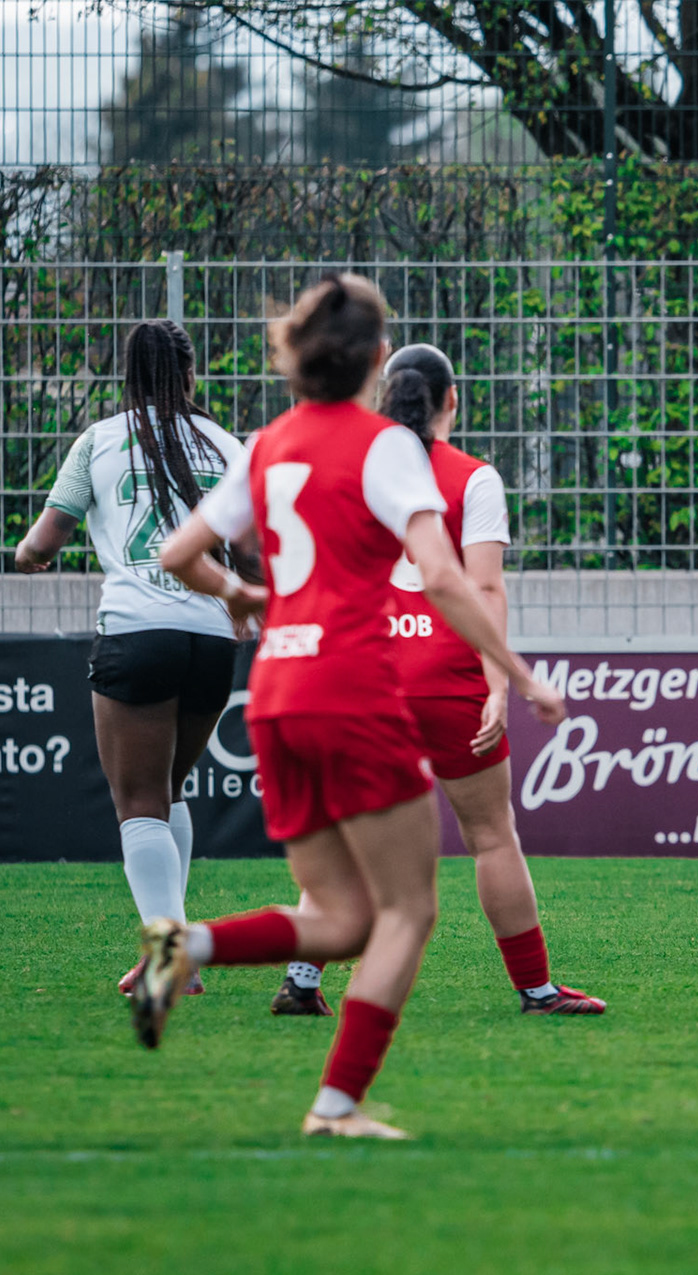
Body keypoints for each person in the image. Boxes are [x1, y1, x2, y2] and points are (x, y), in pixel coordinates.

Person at [144, 273, 565, 1140]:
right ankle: (336, 1105)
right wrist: (516, 675)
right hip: (350, 688)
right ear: (378, 360)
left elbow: (175, 551)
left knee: (337, 921)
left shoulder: (264, 446)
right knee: (408, 910)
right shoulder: (385, 447)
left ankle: (187, 944)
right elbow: (446, 576)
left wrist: (241, 595)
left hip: (274, 696)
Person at [269, 343, 605, 1019]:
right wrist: (501, 682)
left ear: (381, 398)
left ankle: (302, 981)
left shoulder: (350, 470)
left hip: (362, 672)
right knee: (490, 834)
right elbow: (481, 586)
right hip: (445, 674)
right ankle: (536, 989)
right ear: (454, 400)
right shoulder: (472, 478)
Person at [15, 318, 248, 995]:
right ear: (190, 374)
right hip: (211, 638)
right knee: (169, 789)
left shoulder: (101, 439)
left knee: (139, 800)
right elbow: (254, 549)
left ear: (128, 375)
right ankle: (171, 948)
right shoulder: (226, 443)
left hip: (136, 631)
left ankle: (168, 957)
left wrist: (31, 558)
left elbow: (43, 540)